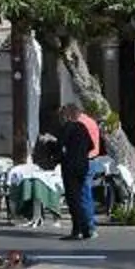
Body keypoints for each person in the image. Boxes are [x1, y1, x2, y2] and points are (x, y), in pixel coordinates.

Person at [57, 102, 98, 240]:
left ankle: (77, 230)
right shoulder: (82, 127)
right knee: (82, 197)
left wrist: (53, 145)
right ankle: (86, 229)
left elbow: (59, 145)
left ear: (67, 116)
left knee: (73, 199)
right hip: (83, 165)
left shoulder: (68, 127)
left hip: (70, 166)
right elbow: (91, 145)